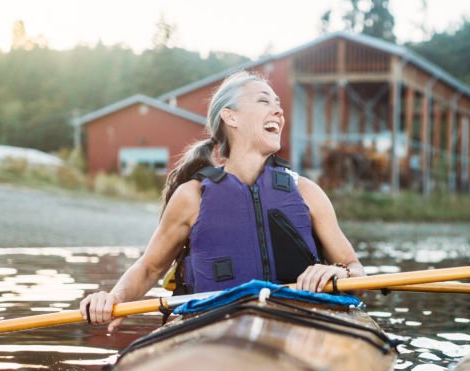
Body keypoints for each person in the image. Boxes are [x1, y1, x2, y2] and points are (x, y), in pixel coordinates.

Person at [81, 71, 364, 330]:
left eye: (278, 104)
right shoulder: (192, 196)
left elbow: (356, 272)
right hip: (212, 325)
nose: (279, 111)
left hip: (300, 322)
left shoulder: (306, 191)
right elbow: (149, 268)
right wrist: (113, 298)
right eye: (264, 101)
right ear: (231, 117)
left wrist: (336, 271)